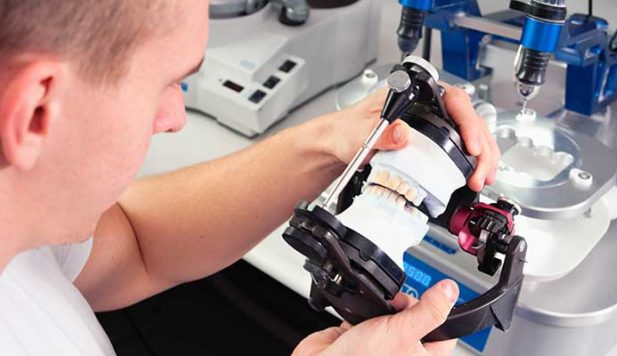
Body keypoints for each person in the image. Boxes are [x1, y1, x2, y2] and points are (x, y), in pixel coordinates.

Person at [0, 0, 499, 355]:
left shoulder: (24, 226)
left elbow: (132, 243)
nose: (175, 117)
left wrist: (334, 139)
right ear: (36, 111)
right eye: (167, 83)